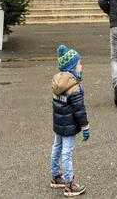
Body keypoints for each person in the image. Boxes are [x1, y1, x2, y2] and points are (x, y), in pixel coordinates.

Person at [50, 43, 90, 196]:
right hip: (70, 125)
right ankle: (69, 184)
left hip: (58, 124)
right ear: (72, 67)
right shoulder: (74, 88)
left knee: (56, 148)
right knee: (67, 153)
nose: (81, 66)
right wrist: (85, 127)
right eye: (79, 64)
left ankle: (55, 176)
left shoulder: (57, 82)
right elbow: (79, 111)